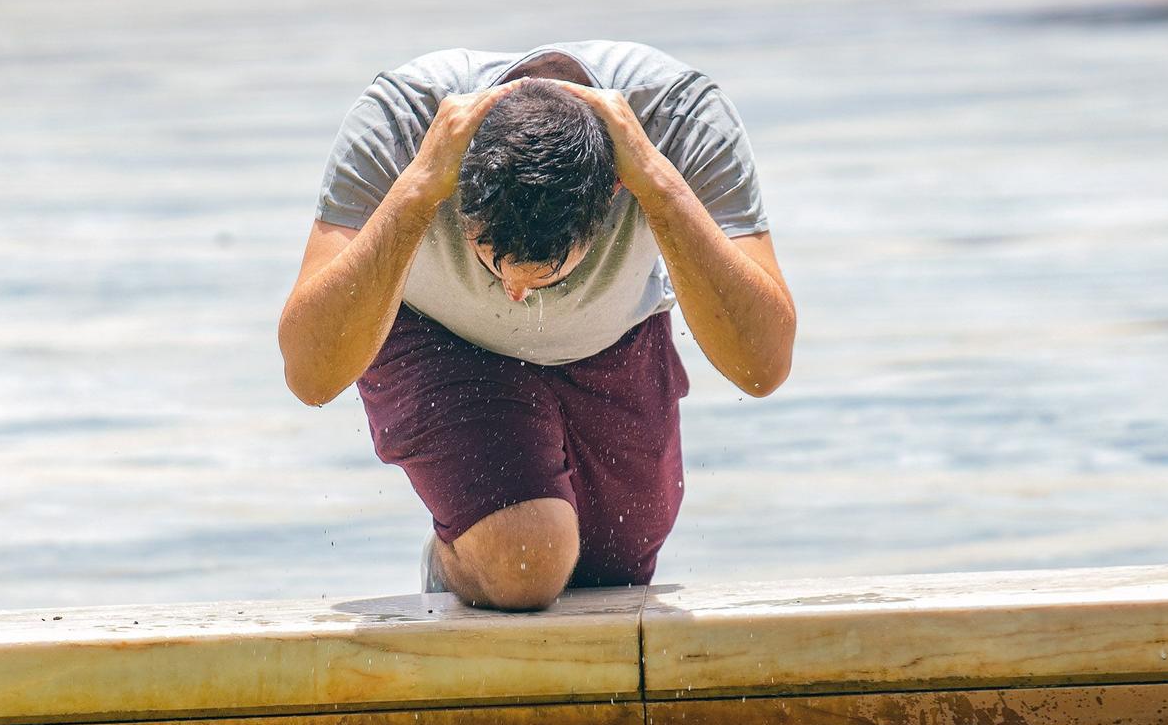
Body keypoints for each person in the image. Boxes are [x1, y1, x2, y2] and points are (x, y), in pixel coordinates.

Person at [278, 42, 795, 612]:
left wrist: (659, 181)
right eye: (492, 264)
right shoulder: (399, 119)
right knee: (525, 563)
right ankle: (458, 563)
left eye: (545, 276)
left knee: (607, 585)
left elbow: (761, 368)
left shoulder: (679, 115)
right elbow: (310, 375)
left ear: (614, 192)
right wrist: (420, 183)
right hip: (439, 334)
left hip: (611, 334)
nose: (518, 294)